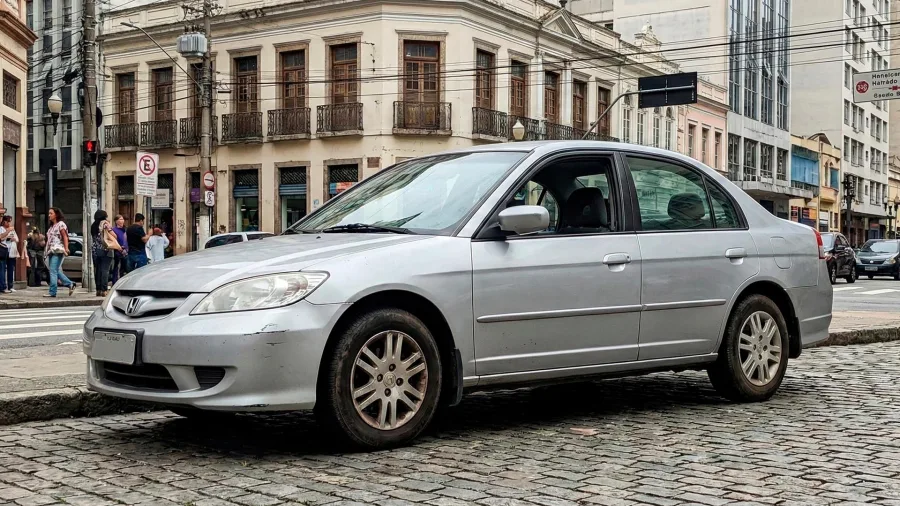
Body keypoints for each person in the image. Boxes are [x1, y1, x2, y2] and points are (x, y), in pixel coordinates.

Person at [44, 208, 75, 298]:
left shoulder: (61, 224)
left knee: (53, 271)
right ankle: (70, 284)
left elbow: (65, 237)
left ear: (56, 214)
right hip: (50, 251)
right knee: (55, 270)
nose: (49, 215)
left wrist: (66, 248)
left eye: (51, 213)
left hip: (58, 250)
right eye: (49, 213)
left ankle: (52, 291)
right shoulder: (51, 227)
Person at [90, 210, 114, 297]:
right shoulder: (105, 224)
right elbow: (114, 235)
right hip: (106, 249)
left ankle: (98, 289)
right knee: (105, 270)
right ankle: (104, 290)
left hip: (96, 250)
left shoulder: (93, 226)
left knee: (98, 270)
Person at [0, 216, 18, 293]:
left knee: (10, 269)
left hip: (10, 250)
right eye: (7, 222)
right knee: (2, 269)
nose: (9, 223)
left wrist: (13, 238)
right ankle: (3, 286)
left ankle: (10, 286)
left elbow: (17, 239)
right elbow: (1, 237)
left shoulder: (12, 230)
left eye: (10, 222)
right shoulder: (1, 228)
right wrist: (7, 232)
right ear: (4, 222)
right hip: (3, 250)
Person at [110, 215, 127, 285]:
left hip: (125, 251)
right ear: (116, 221)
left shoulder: (125, 229)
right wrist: (119, 247)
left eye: (123, 219)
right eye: (120, 219)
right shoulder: (114, 230)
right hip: (117, 251)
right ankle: (115, 282)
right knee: (116, 267)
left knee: (124, 268)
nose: (122, 221)